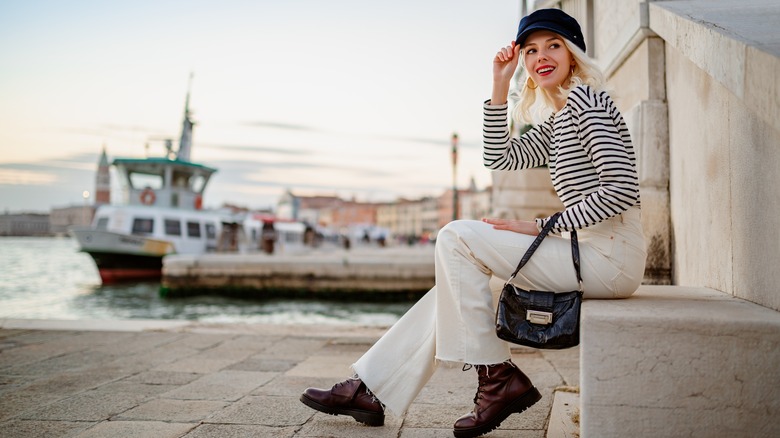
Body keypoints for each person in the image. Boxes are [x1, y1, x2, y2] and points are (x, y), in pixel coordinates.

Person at [300, 8, 647, 438]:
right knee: (454, 284)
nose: (541, 56)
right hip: (586, 251)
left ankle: (497, 377)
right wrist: (499, 86)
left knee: (455, 236)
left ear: (573, 53)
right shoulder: (559, 119)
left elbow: (621, 191)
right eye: (531, 50)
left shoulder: (588, 103)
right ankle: (370, 388)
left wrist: (543, 225)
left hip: (609, 256)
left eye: (553, 45)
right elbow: (500, 157)